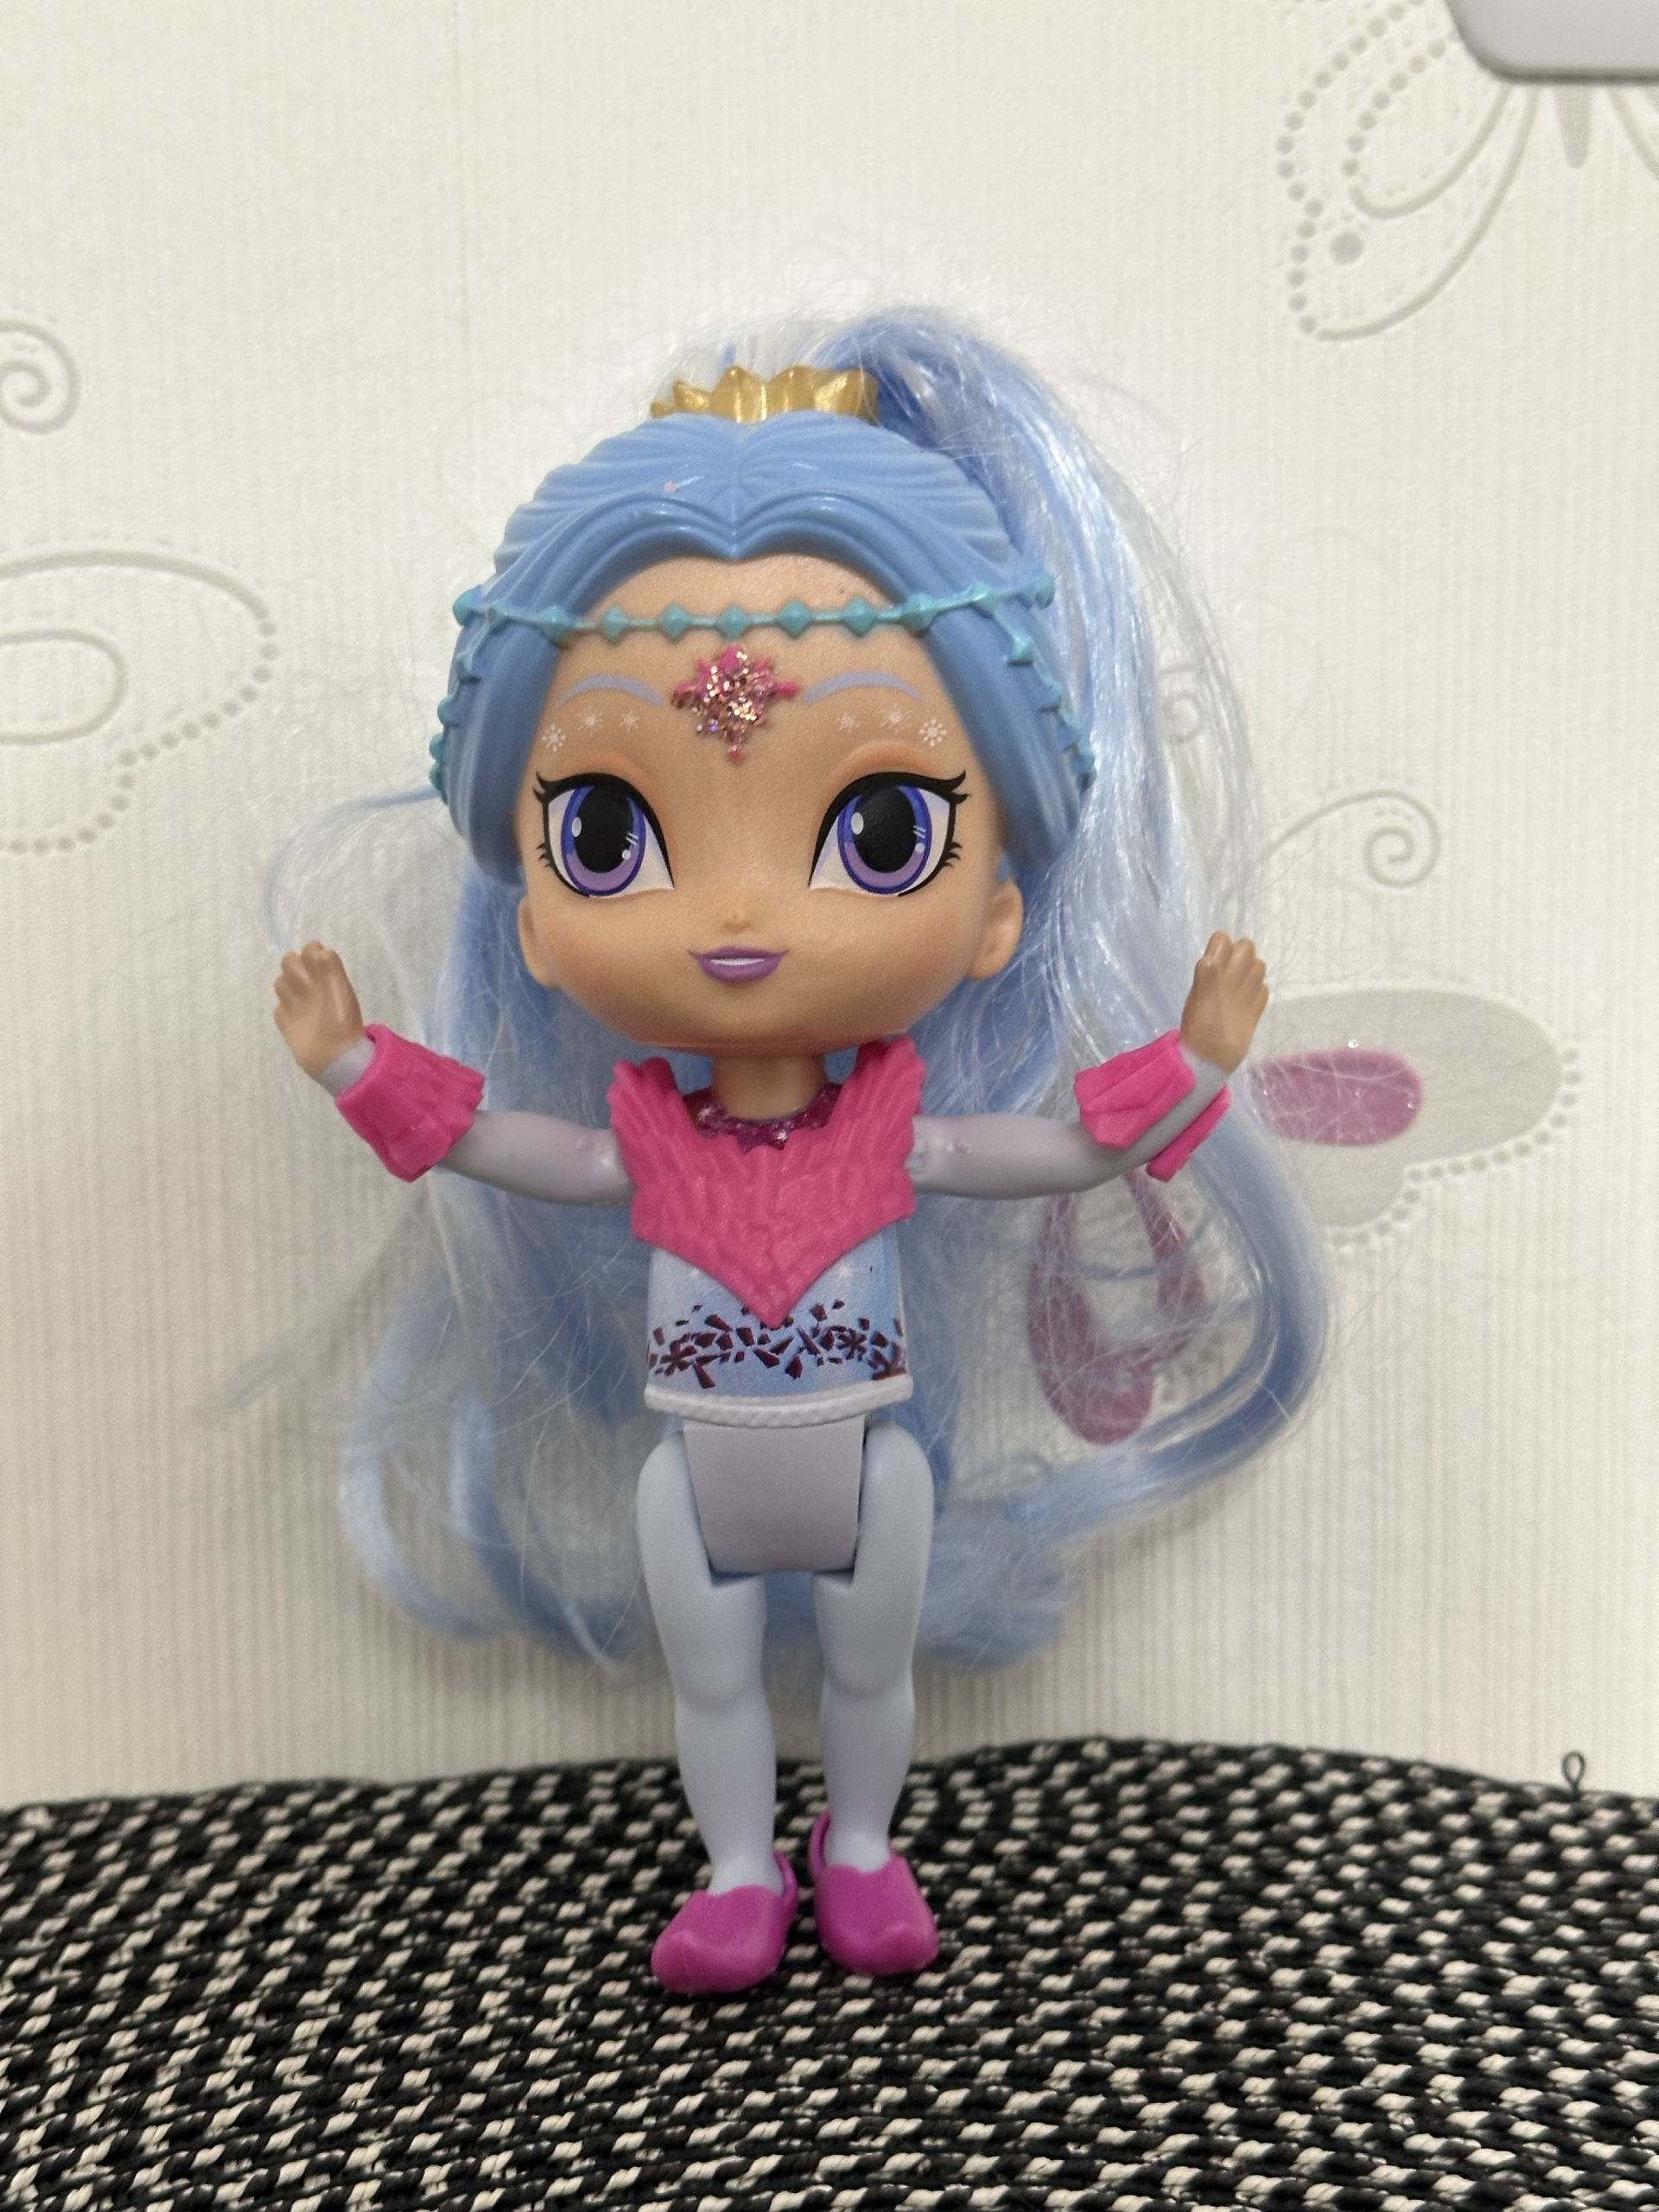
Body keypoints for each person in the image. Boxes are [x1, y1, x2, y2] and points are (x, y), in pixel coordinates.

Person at [272, 325, 1326, 1994]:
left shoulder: (898, 1132)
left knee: (866, 1678)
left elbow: (1061, 1147)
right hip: (693, 1474)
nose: (745, 911)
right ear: (533, 922)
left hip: (866, 1469)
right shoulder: (641, 1141)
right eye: (610, 833)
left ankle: (861, 1848)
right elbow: (498, 1145)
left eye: (880, 829)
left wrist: (1192, 1063)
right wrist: (358, 1066)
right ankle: (737, 1871)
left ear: (996, 911)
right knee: (707, 1684)